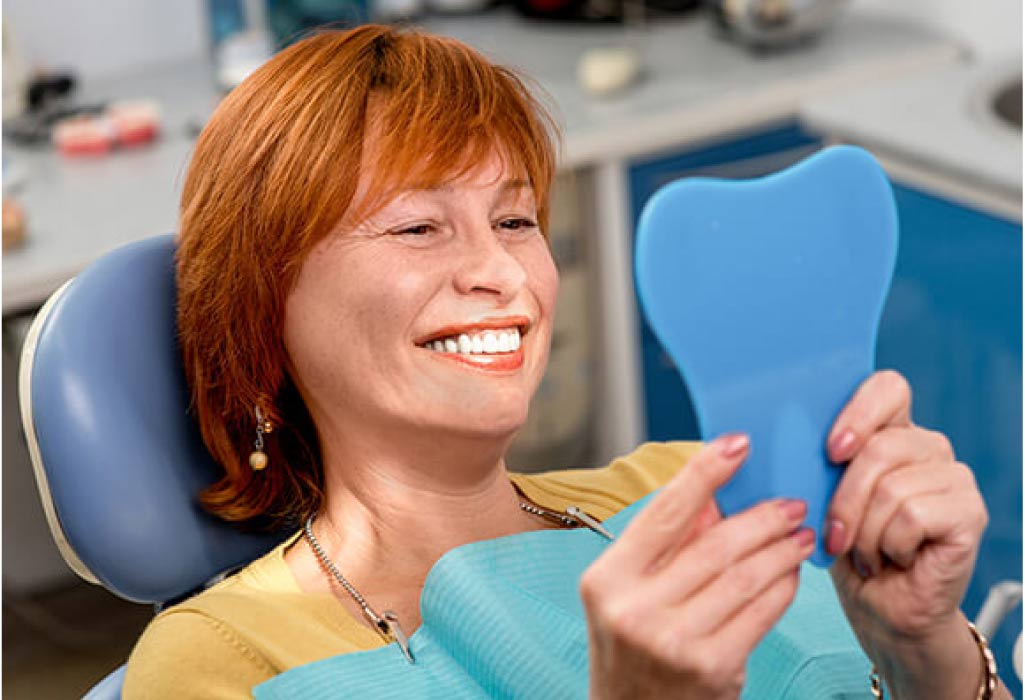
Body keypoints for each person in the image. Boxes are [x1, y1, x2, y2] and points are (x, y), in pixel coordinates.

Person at [123, 24, 1009, 699]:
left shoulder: (694, 491)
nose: (504, 272)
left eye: (516, 221)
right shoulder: (221, 662)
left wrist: (924, 654)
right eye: (418, 227)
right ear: (262, 311)